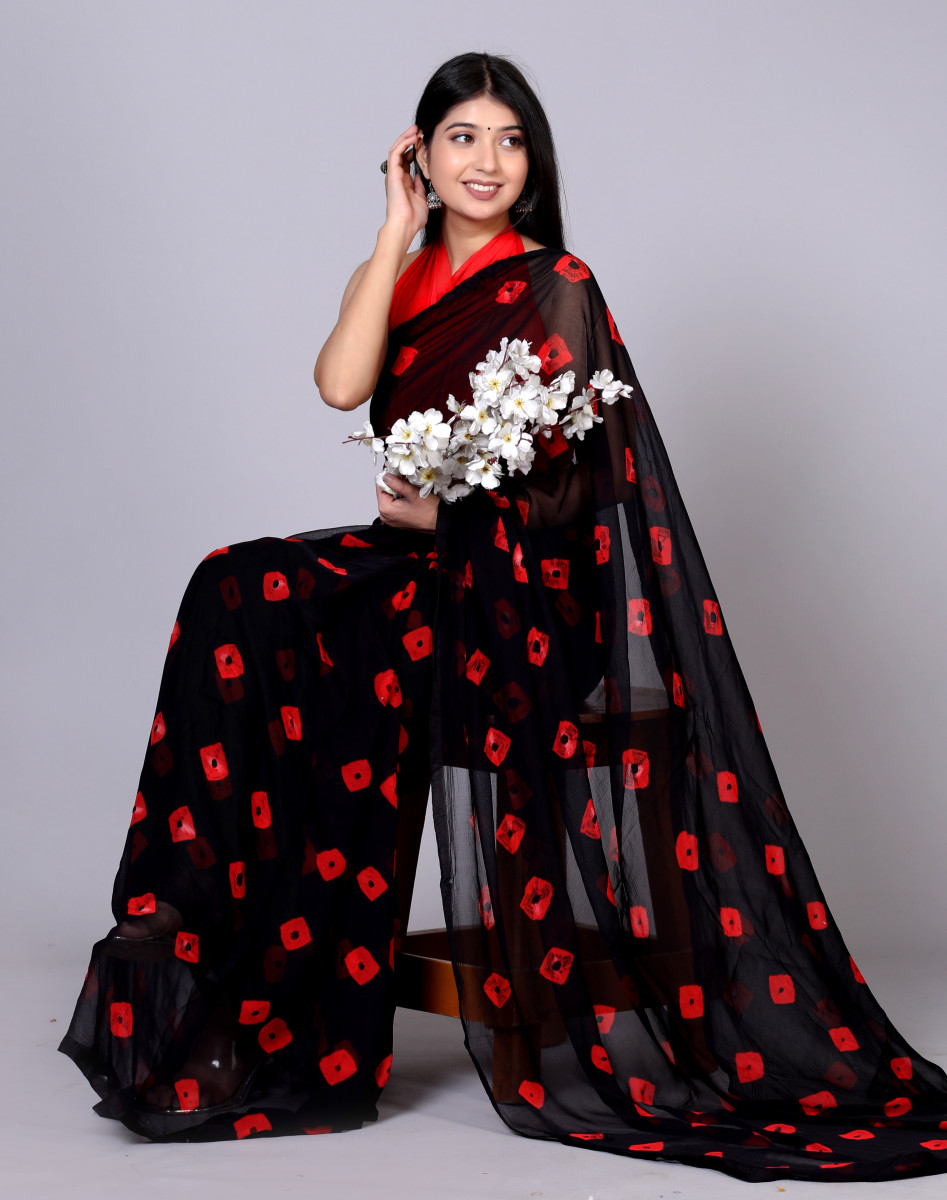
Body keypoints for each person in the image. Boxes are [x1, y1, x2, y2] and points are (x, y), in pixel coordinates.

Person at [59, 52, 947, 1182]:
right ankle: (194, 938)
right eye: (463, 138)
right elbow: (339, 386)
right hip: (410, 571)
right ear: (420, 155)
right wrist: (391, 234)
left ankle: (287, 985)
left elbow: (581, 492)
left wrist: (453, 517)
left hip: (523, 592)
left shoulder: (555, 281)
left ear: (534, 162)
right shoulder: (402, 269)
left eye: (510, 139)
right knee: (233, 585)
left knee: (361, 643)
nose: (487, 161)